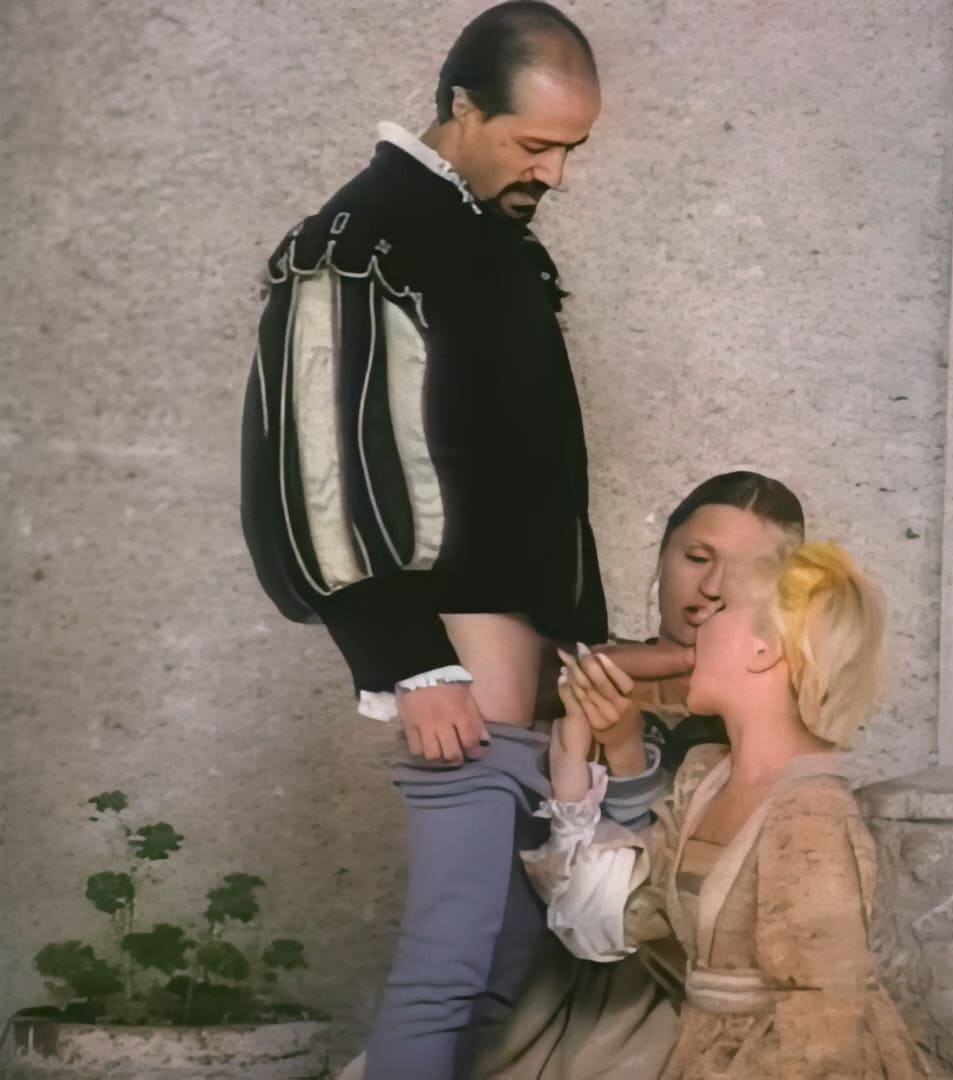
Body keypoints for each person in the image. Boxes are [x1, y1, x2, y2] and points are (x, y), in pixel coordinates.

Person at [238, 5, 617, 1077]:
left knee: (505, 965)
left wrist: (578, 647)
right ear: (462, 106)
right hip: (452, 668)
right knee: (452, 965)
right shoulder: (360, 242)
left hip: (525, 681)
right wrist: (407, 660)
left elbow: (537, 481)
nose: (554, 173)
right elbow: (312, 470)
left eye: (570, 150)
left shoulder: (493, 245)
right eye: (534, 144)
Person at [527, 544, 943, 1078]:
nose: (697, 622)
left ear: (764, 649)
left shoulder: (810, 813)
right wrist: (573, 767)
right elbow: (603, 921)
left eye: (720, 609)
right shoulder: (705, 782)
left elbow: (825, 1027)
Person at [475, 470, 806, 1079]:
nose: (711, 589)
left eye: (747, 572)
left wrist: (628, 757)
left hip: (671, 986)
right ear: (663, 556)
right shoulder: (569, 674)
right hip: (542, 972)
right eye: (697, 558)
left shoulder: (773, 715)